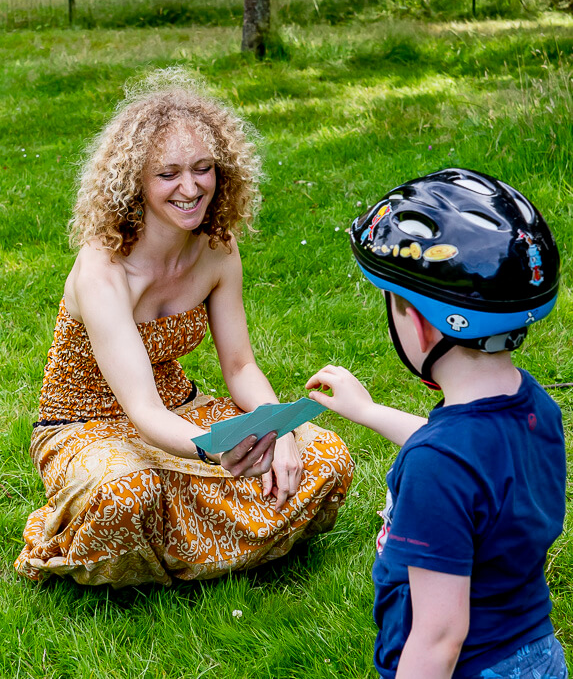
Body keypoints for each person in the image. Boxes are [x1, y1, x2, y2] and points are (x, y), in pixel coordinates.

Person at [15, 67, 353, 589]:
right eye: (168, 173)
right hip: (83, 425)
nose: (190, 187)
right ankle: (129, 528)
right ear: (135, 183)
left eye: (203, 168)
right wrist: (219, 450)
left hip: (180, 408)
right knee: (127, 493)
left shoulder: (218, 248)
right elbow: (142, 410)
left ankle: (172, 542)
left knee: (324, 457)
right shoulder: (103, 268)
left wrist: (277, 426)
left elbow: (240, 366)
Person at [306, 168, 567, 679]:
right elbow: (472, 459)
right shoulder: (534, 407)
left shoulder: (436, 469)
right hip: (537, 654)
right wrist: (369, 413)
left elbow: (440, 638)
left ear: (422, 326)